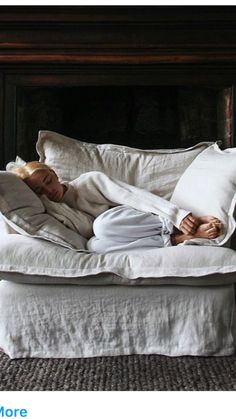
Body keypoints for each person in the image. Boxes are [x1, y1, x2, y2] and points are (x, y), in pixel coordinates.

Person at [7, 160, 223, 253]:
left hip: (137, 219)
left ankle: (182, 226)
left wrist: (178, 215)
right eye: (39, 191)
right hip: (115, 237)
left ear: (54, 174)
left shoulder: (88, 182)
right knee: (94, 246)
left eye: (47, 181)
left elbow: (133, 196)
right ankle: (176, 240)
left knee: (101, 225)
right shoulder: (54, 211)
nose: (48, 190)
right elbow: (84, 230)